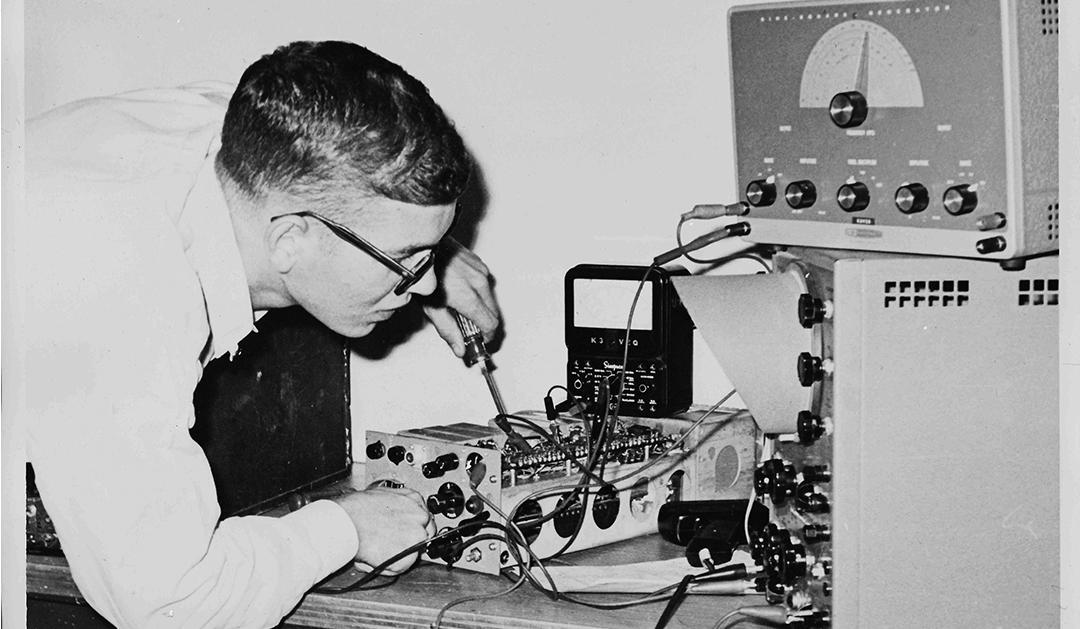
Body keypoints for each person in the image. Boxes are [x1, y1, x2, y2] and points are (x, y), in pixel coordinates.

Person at [22, 40, 501, 628]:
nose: (425, 288)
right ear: (289, 239)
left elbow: (330, 159)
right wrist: (346, 528)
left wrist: (432, 248)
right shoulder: (122, 292)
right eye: (407, 259)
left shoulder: (241, 135)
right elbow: (171, 606)